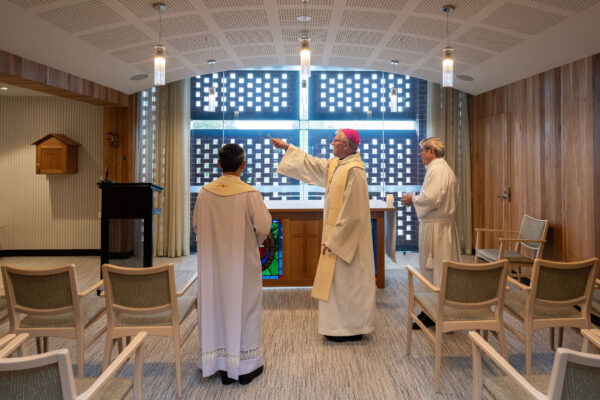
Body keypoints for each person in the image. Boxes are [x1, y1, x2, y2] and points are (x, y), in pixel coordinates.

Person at [271, 129, 376, 342]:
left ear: (347, 146)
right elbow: (314, 164)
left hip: (347, 241)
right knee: (336, 284)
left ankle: (351, 328)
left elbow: (353, 212)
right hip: (336, 236)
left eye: (336, 141)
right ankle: (337, 326)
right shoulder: (338, 164)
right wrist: (287, 148)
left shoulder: (354, 170)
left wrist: (335, 239)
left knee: (348, 283)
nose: (331, 144)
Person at [193, 143, 272, 385]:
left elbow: (197, 225)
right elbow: (263, 228)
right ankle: (245, 367)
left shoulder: (205, 192)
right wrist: (251, 242)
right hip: (241, 262)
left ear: (218, 164)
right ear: (243, 165)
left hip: (212, 263)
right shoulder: (250, 194)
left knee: (215, 305)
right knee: (245, 308)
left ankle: (216, 362)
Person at [400, 137, 461, 329]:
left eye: (423, 151)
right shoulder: (443, 169)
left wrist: (413, 198)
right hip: (442, 227)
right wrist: (417, 199)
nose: (420, 155)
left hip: (436, 228)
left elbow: (432, 198)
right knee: (440, 270)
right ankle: (439, 312)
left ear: (432, 152)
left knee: (432, 270)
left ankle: (431, 314)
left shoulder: (437, 169)